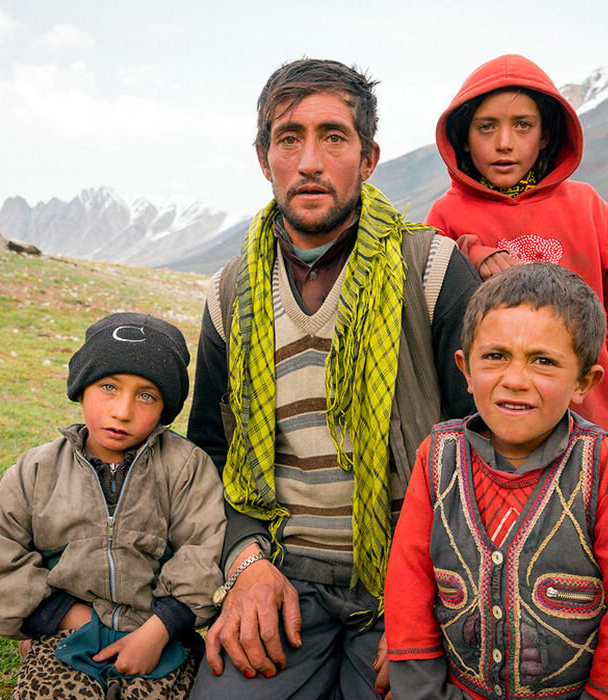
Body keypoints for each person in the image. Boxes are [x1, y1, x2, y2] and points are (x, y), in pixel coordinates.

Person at [186, 58, 480, 699]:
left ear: (369, 158)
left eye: (334, 137)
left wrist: (432, 601)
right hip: (283, 575)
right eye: (289, 138)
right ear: (264, 158)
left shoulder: (431, 272)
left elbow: (479, 448)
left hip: (408, 575)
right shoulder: (229, 294)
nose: (310, 161)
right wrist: (246, 564)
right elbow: (209, 453)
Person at [384, 263, 608, 700]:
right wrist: (420, 688)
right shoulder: (438, 457)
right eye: (495, 356)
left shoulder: (600, 467)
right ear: (465, 369)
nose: (515, 381)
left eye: (543, 361)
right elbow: (409, 580)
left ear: (585, 381)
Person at [0, 312, 226, 698]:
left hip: (159, 638)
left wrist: (157, 630)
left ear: (165, 407)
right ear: (81, 386)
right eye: (108, 387)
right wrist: (60, 618)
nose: (123, 411)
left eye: (146, 395)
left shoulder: (186, 467)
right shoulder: (37, 470)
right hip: (67, 632)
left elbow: (204, 551)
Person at [427, 54, 608, 436]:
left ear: (545, 134)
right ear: (463, 138)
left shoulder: (586, 206)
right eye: (486, 127)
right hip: (483, 428)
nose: (504, 143)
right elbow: (429, 313)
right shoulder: (446, 215)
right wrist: (467, 256)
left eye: (523, 126)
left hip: (583, 420)